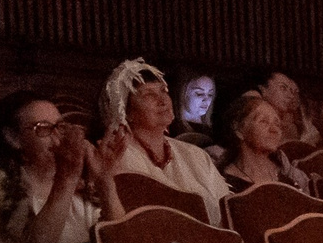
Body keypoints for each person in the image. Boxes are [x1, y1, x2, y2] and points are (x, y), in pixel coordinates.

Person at [0, 91, 122, 243]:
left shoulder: (84, 185)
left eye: (59, 126)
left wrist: (105, 181)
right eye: (44, 128)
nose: (57, 137)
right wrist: (66, 178)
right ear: (13, 138)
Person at [98, 59, 231, 215]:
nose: (162, 101)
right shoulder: (117, 158)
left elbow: (228, 211)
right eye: (149, 94)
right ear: (127, 112)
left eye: (163, 91)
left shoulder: (196, 155)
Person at [218, 90, 314, 193]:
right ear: (239, 130)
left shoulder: (288, 176)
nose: (274, 130)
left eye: (277, 124)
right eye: (263, 121)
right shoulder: (225, 184)